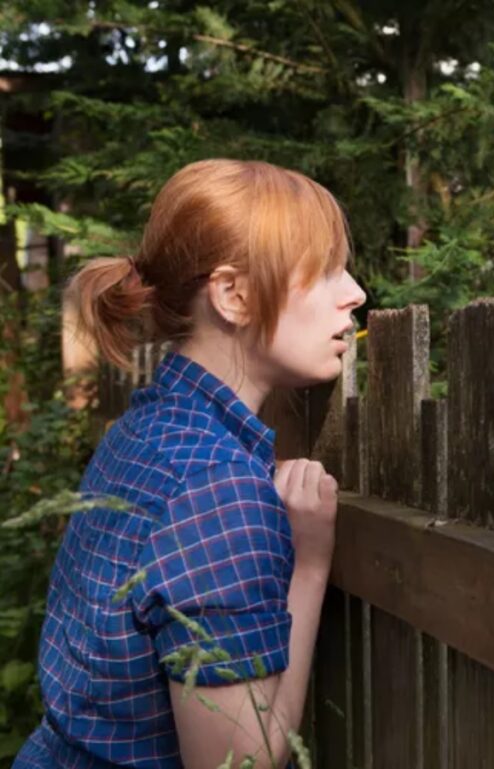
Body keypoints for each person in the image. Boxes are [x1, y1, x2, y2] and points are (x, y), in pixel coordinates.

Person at [13, 158, 367, 768]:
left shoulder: (147, 428)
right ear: (234, 295)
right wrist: (309, 564)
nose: (355, 292)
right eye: (326, 271)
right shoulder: (218, 490)